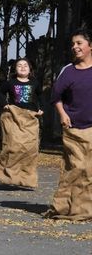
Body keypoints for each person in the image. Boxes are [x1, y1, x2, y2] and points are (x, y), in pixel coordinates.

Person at [45, 28, 92, 221]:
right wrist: (62, 114)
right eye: (73, 44)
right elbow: (56, 97)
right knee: (77, 167)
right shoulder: (68, 71)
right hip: (73, 128)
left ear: (90, 46)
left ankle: (84, 209)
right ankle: (64, 206)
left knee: (89, 171)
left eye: (79, 43)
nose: (75, 47)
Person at [0, 58, 43, 188]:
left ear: (30, 69)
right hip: (14, 117)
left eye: (25, 65)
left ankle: (27, 178)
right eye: (19, 65)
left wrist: (41, 108)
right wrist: (4, 104)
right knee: (14, 146)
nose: (22, 67)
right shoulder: (10, 83)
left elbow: (41, 96)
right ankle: (9, 175)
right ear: (15, 69)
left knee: (30, 148)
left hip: (30, 119)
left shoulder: (35, 83)